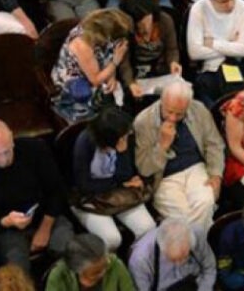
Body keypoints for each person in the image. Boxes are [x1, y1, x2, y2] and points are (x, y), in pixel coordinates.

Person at [0, 120, 72, 271]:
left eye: (6, 152)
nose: (3, 160)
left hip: (46, 215)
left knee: (68, 248)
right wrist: (7, 221)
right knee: (17, 268)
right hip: (10, 229)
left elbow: (57, 190)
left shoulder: (35, 149)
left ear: (12, 139)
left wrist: (45, 228)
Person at [133, 80, 225, 232]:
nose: (173, 118)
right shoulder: (143, 121)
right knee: (184, 217)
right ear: (161, 101)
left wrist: (216, 174)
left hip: (196, 168)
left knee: (206, 202)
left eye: (179, 114)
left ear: (188, 106)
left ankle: (186, 243)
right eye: (169, 112)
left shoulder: (198, 109)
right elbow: (144, 168)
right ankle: (203, 245)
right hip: (164, 176)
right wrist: (162, 145)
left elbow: (214, 144)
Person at [69, 106, 155, 252]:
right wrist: (118, 183)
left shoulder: (124, 139)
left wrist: (122, 153)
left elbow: (126, 174)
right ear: (109, 138)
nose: (127, 137)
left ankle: (137, 260)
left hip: (117, 191)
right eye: (123, 137)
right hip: (89, 197)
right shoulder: (84, 143)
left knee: (148, 228)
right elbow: (84, 185)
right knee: (112, 239)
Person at [186, 0, 244, 105]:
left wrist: (213, 43)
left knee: (239, 96)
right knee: (208, 92)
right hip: (208, 67)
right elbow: (194, 52)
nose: (231, 5)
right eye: (224, 1)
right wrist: (232, 45)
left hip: (234, 64)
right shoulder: (199, 8)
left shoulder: (242, 6)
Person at [51, 9, 131, 109]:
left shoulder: (104, 31)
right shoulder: (82, 44)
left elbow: (110, 52)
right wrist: (115, 62)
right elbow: (95, 80)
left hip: (99, 66)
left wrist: (112, 76)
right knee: (84, 93)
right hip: (76, 77)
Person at [128, 217, 216, 290]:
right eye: (174, 260)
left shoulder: (195, 233)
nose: (181, 263)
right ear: (163, 248)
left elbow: (209, 268)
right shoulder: (140, 260)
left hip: (197, 283)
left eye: (185, 256)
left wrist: (204, 288)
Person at [120, 0, 183, 96]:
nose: (144, 26)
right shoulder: (125, 29)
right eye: (139, 23)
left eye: (146, 19)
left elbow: (171, 49)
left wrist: (173, 62)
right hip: (137, 72)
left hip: (160, 70)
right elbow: (124, 61)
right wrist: (130, 83)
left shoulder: (165, 21)